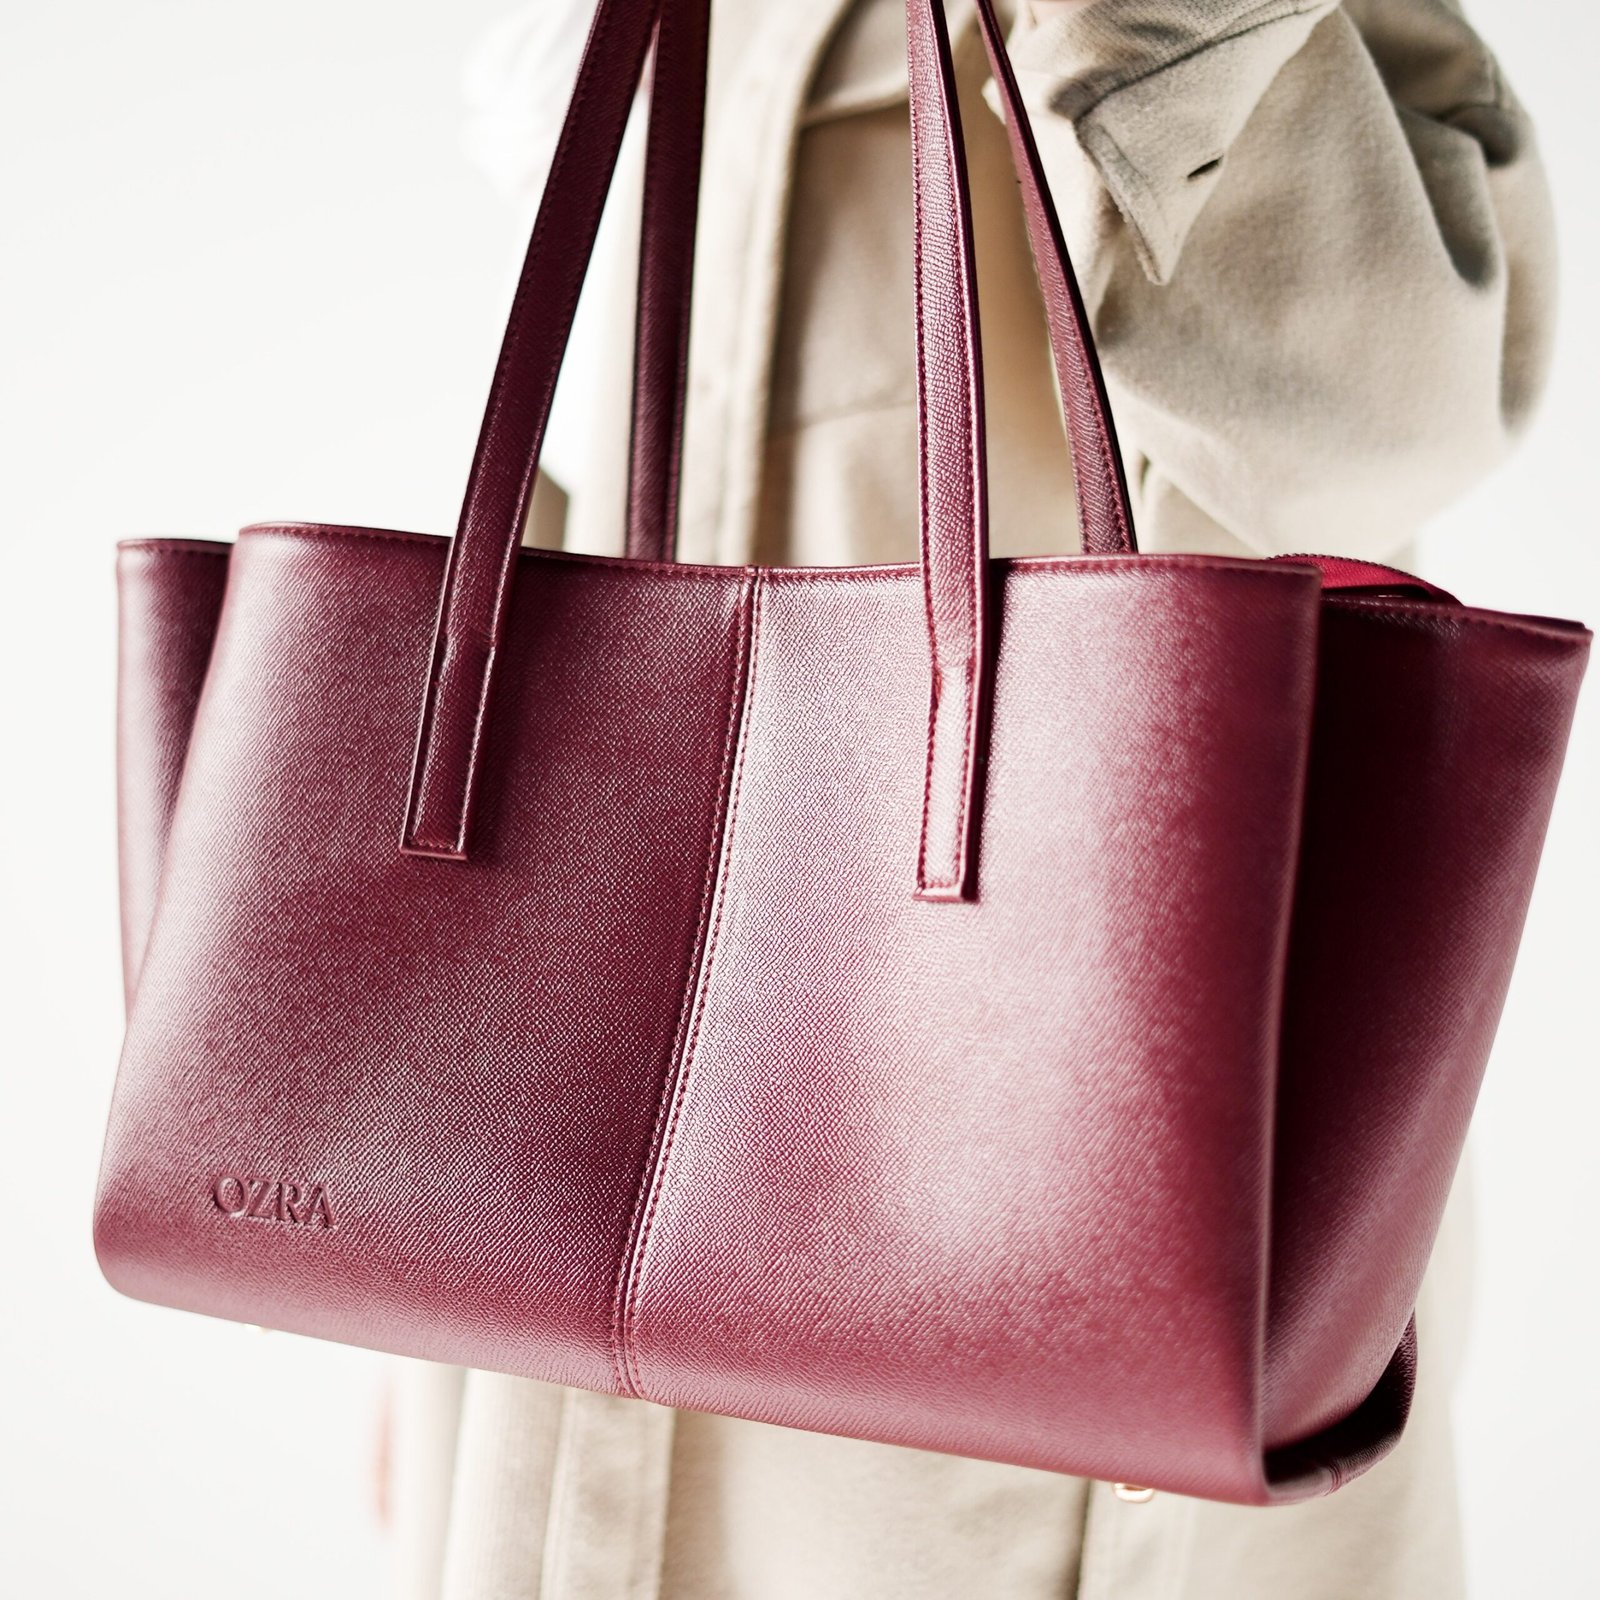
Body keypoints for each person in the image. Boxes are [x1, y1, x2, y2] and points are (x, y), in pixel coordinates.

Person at [388, 2, 1554, 1596]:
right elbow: (587, 495)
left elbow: (1376, 431)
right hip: (562, 1200)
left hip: (1031, 1188)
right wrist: (427, 1297)